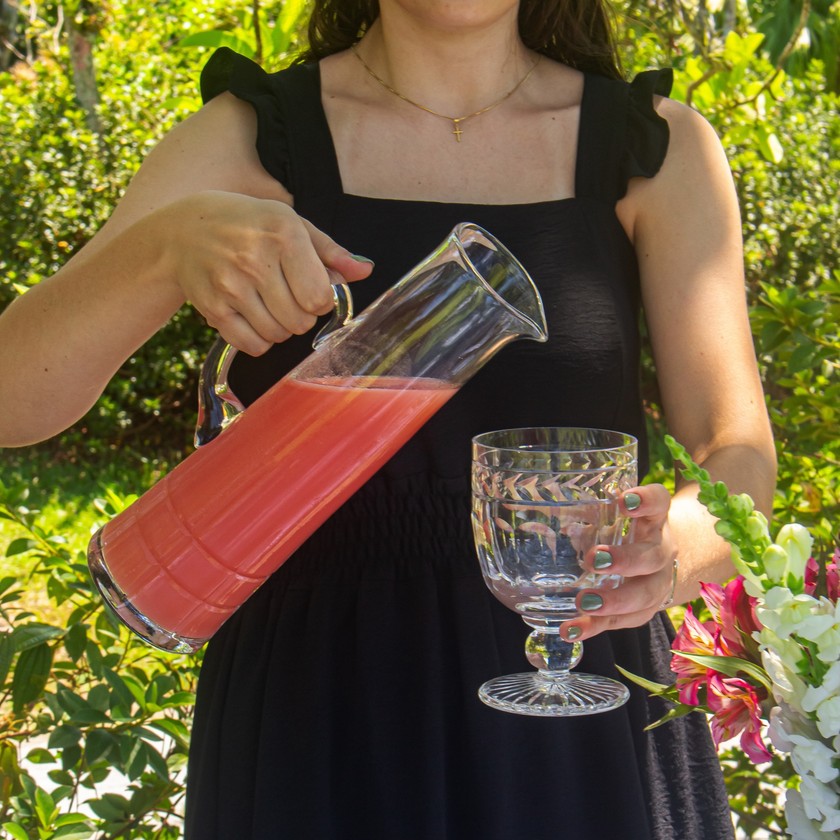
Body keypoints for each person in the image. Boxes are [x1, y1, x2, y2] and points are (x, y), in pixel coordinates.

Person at [0, 1, 777, 837]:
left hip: (578, 703)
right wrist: (163, 249)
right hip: (317, 709)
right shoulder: (246, 140)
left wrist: (667, 552)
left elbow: (736, 455)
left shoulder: (654, 149)